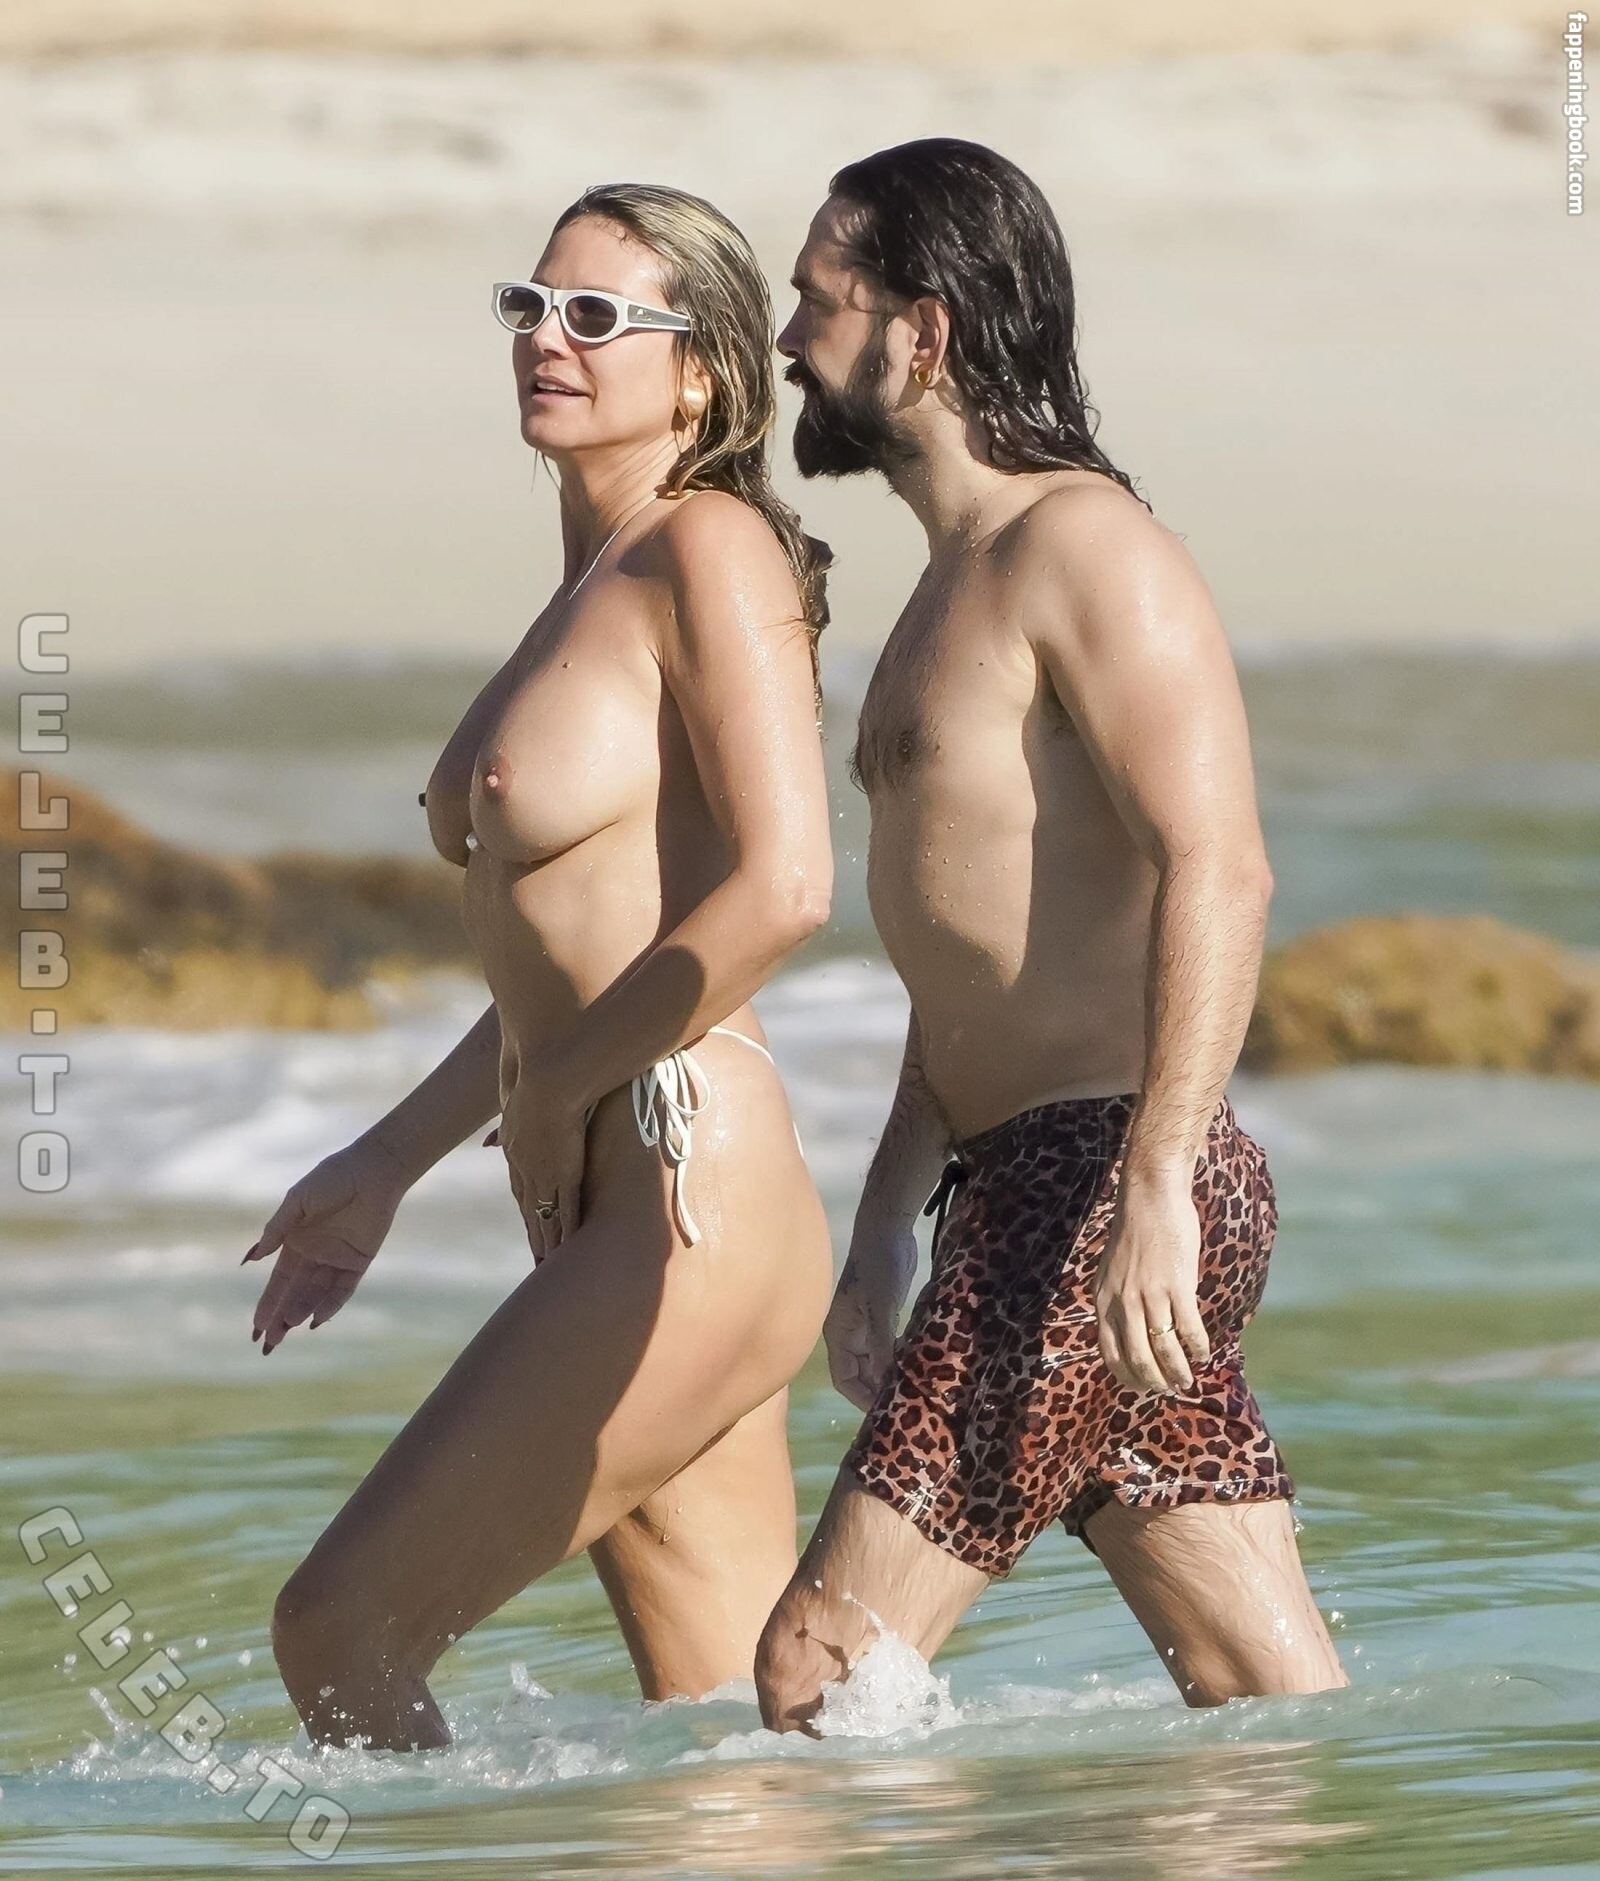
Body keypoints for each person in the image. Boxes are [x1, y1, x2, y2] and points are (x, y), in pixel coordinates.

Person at [755, 138, 1349, 1733]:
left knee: (818, 1667)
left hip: (1102, 1185)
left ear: (922, 333)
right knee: (1260, 1698)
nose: (790, 337)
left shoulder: (1086, 550)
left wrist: (1154, 1181)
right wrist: (887, 1215)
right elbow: (968, 957)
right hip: (1033, 1178)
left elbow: (1221, 867)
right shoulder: (946, 589)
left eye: (818, 298)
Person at [244, 183, 835, 1751]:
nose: (545, 341)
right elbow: (553, 973)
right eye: (529, 305)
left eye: (595, 316)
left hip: (690, 1195)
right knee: (733, 1755)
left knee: (338, 1625)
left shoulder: (710, 550)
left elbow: (789, 887)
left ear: (698, 371)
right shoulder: (587, 585)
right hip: (606, 1199)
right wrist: (383, 1162)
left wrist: (562, 1092)